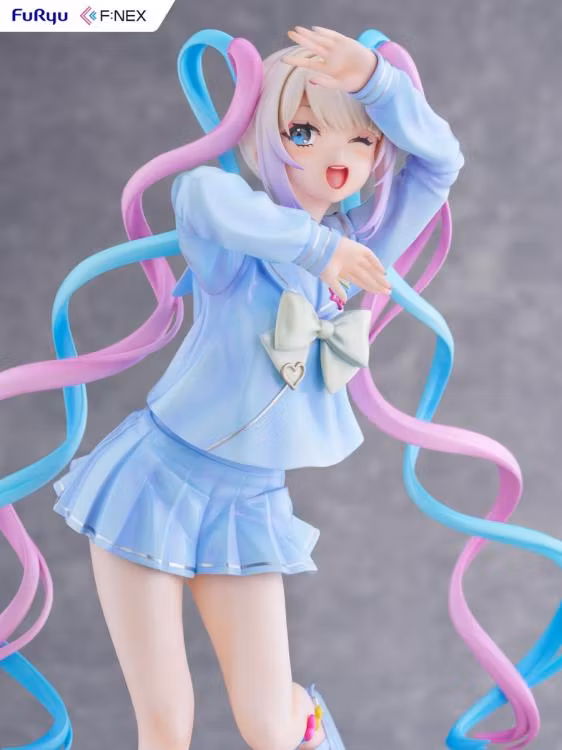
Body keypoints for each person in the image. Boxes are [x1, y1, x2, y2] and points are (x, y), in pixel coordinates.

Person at [2, 24, 560, 750]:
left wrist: (377, 83)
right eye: (304, 131)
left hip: (248, 502)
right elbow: (198, 194)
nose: (337, 155)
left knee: (271, 723)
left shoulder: (366, 246)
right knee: (166, 723)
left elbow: (441, 162)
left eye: (362, 139)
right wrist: (317, 247)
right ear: (264, 133)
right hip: (152, 482)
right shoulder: (238, 240)